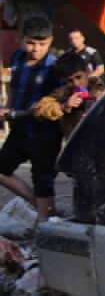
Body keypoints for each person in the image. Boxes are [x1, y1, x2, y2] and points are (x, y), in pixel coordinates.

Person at [0, 17, 77, 222]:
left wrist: (67, 103)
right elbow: (15, 89)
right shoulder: (17, 59)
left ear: (50, 41)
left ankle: (45, 223)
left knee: (43, 179)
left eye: (42, 44)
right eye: (31, 43)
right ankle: (39, 205)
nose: (36, 49)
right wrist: (8, 108)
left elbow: (77, 89)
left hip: (46, 133)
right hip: (21, 128)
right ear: (21, 39)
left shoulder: (56, 67)